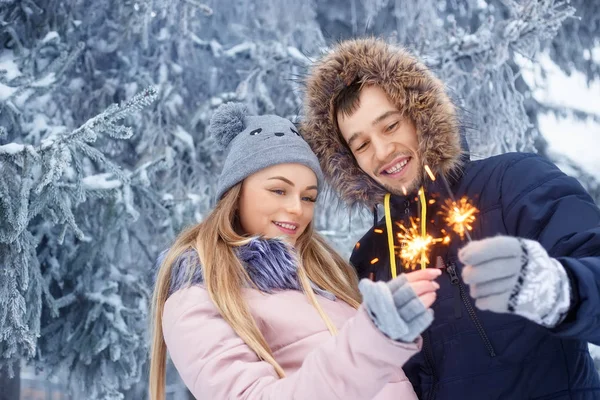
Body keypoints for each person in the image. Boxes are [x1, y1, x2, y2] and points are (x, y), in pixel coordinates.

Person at [301, 37, 600, 399]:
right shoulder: (371, 257)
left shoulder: (513, 183)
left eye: (390, 125)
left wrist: (559, 290)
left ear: (420, 116)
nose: (381, 152)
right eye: (361, 145)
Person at [149, 102, 442, 400]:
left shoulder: (327, 283)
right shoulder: (200, 295)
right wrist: (372, 340)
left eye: (308, 197)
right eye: (278, 190)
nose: (296, 209)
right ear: (235, 194)